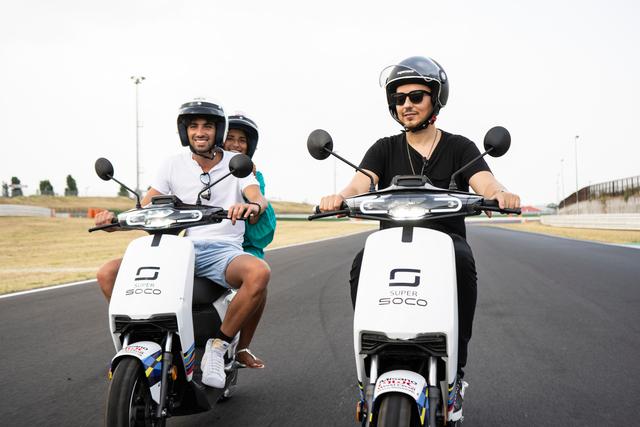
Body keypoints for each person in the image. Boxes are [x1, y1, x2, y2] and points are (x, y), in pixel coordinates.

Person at [318, 56, 521, 422]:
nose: (407, 105)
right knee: (362, 262)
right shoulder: (384, 148)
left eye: (416, 96)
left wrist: (500, 193)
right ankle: (370, 358)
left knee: (463, 260)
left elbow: (486, 182)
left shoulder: (460, 147)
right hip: (391, 245)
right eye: (399, 99)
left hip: (445, 244)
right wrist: (339, 197)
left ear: (435, 99)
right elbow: (360, 182)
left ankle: (455, 373)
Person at [95, 99, 270, 388]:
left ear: (218, 131)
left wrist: (252, 206)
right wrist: (113, 220)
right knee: (107, 273)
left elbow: (256, 196)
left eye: (207, 126)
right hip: (179, 249)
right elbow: (145, 205)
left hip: (222, 250)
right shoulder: (172, 164)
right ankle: (136, 341)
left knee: (259, 272)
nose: (200, 132)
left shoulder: (236, 164)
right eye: (193, 126)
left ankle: (218, 347)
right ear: (184, 131)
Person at [222, 112, 277, 259]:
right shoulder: (207, 173)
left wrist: (252, 209)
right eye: (230, 138)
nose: (236, 145)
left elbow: (257, 210)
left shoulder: (255, 176)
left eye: (242, 140)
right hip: (208, 242)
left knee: (255, 267)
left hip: (243, 246)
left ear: (249, 146)